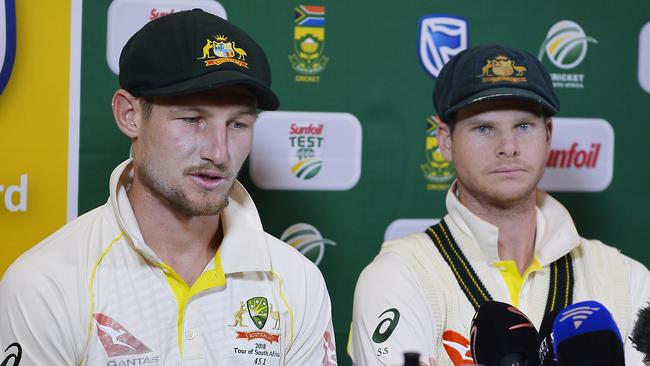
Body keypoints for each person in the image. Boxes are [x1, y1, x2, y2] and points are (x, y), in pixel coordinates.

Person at [0, 10, 337, 366]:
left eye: (238, 124)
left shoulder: (297, 281)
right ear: (129, 115)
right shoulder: (47, 282)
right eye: (193, 120)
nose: (219, 152)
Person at [350, 44, 650, 366]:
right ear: (446, 141)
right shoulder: (401, 275)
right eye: (483, 128)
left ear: (548, 134)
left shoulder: (624, 278)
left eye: (523, 126)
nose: (508, 147)